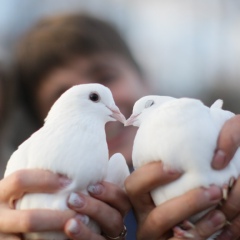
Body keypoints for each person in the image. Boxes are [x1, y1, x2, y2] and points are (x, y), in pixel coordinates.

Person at [0, 12, 240, 240]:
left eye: (106, 76)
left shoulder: (213, 130)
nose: (92, 105)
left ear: (145, 79)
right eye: (62, 93)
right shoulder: (20, 178)